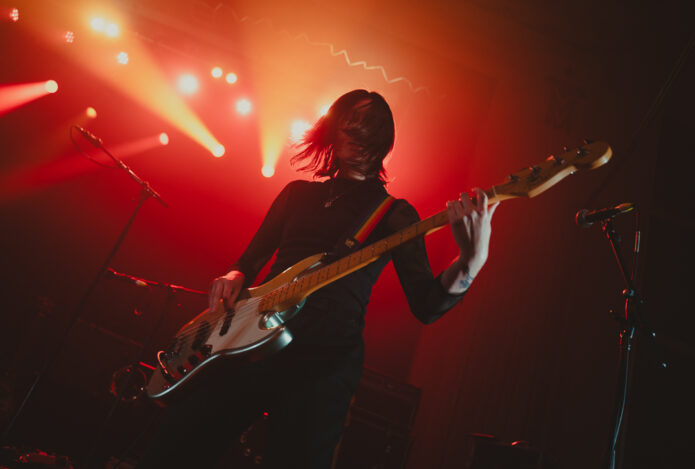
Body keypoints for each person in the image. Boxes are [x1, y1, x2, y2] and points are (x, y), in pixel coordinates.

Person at [137, 89, 498, 468]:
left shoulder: (393, 214)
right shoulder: (297, 194)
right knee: (177, 446)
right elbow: (249, 261)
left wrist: (471, 260)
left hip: (323, 359)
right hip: (248, 340)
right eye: (350, 121)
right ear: (333, 130)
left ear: (384, 140)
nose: (358, 132)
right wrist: (232, 276)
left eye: (370, 125)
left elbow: (427, 304)